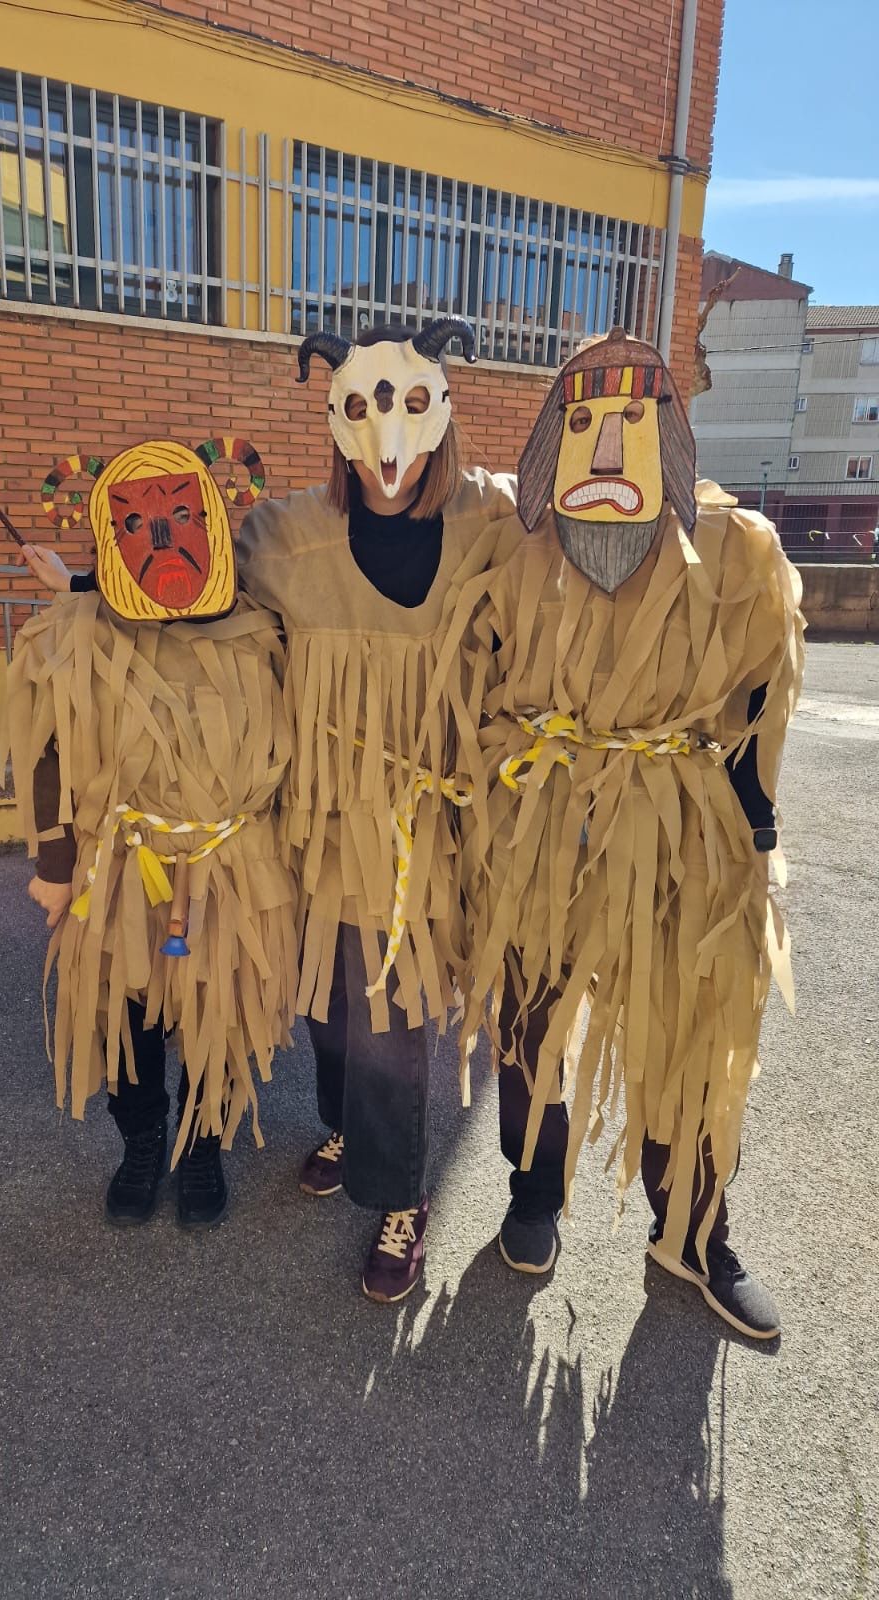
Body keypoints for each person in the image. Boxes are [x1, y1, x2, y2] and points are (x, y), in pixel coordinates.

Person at [456, 327, 805, 1338]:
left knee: (687, 1037)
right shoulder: (511, 546)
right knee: (529, 1024)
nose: (608, 452)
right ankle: (533, 1191)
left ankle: (694, 1233)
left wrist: (754, 838)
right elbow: (467, 672)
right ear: (549, 439)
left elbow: (757, 703)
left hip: (677, 835)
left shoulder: (742, 550)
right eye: (584, 424)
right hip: (539, 830)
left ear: (674, 434)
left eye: (633, 424)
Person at [237, 319, 519, 1302]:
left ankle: (403, 1195)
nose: (388, 443)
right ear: (336, 418)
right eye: (360, 408)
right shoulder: (284, 535)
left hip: (422, 840)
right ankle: (347, 1126)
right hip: (316, 821)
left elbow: (583, 579)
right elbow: (186, 598)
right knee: (323, 1007)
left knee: (394, 1025)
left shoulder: (494, 523)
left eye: (407, 407)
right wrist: (85, 585)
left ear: (441, 416)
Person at [4, 437, 296, 1230]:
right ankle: (141, 1140)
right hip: (122, 868)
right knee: (126, 1018)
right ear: (109, 537)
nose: (162, 536)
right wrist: (57, 866)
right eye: (137, 524)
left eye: (180, 517)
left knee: (221, 1017)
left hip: (234, 867)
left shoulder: (263, 633)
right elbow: (50, 756)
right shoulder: (78, 638)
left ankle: (204, 1144)